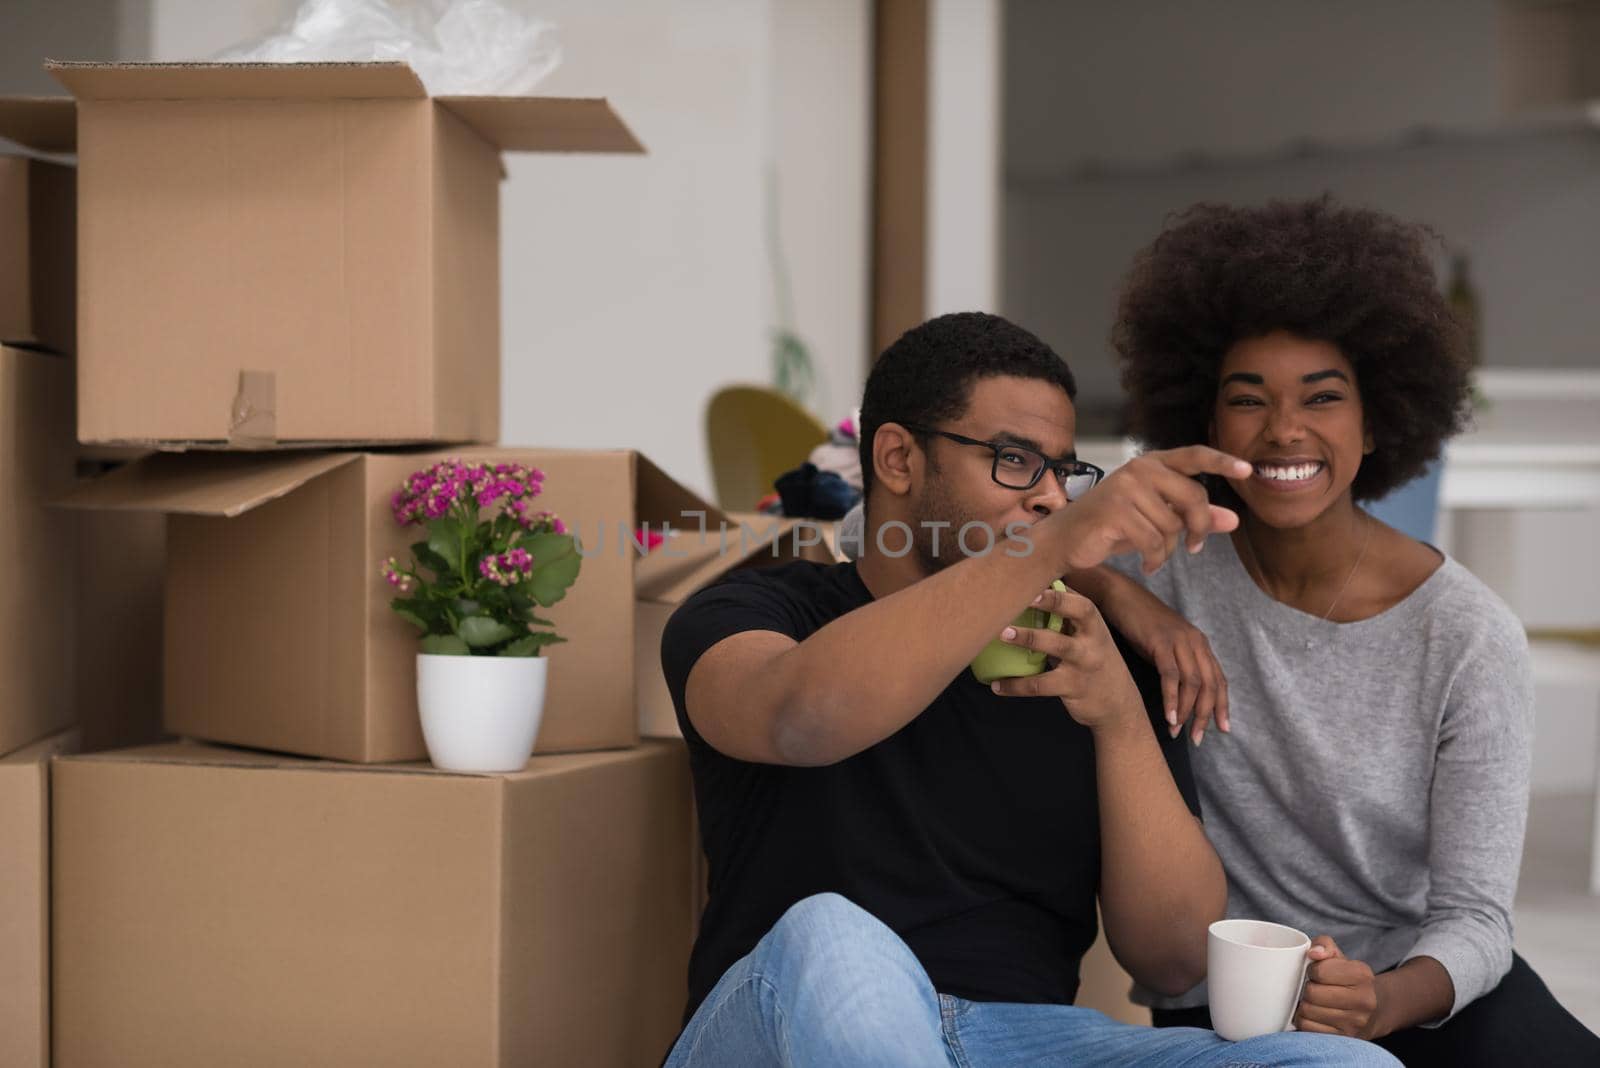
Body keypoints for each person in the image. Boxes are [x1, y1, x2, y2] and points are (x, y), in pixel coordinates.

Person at [658, 311, 1397, 1066]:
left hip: (1025, 1042)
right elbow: (795, 720)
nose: (1049, 496)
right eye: (1015, 461)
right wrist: (1056, 545)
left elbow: (1173, 961)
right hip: (782, 1022)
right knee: (834, 937)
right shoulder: (753, 612)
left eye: (1063, 472)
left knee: (1347, 1065)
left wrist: (1118, 716)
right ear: (898, 459)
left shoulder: (1097, 664)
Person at [1089, 197, 1600, 1066]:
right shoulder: (1164, 557)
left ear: (1376, 420)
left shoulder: (1468, 636)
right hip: (1230, 1007)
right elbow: (967, 531)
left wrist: (1383, 1000)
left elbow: (1476, 920)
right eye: (1249, 401)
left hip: (1412, 991)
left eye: (1322, 399)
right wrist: (1130, 601)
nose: (1285, 429)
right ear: (1207, 426)